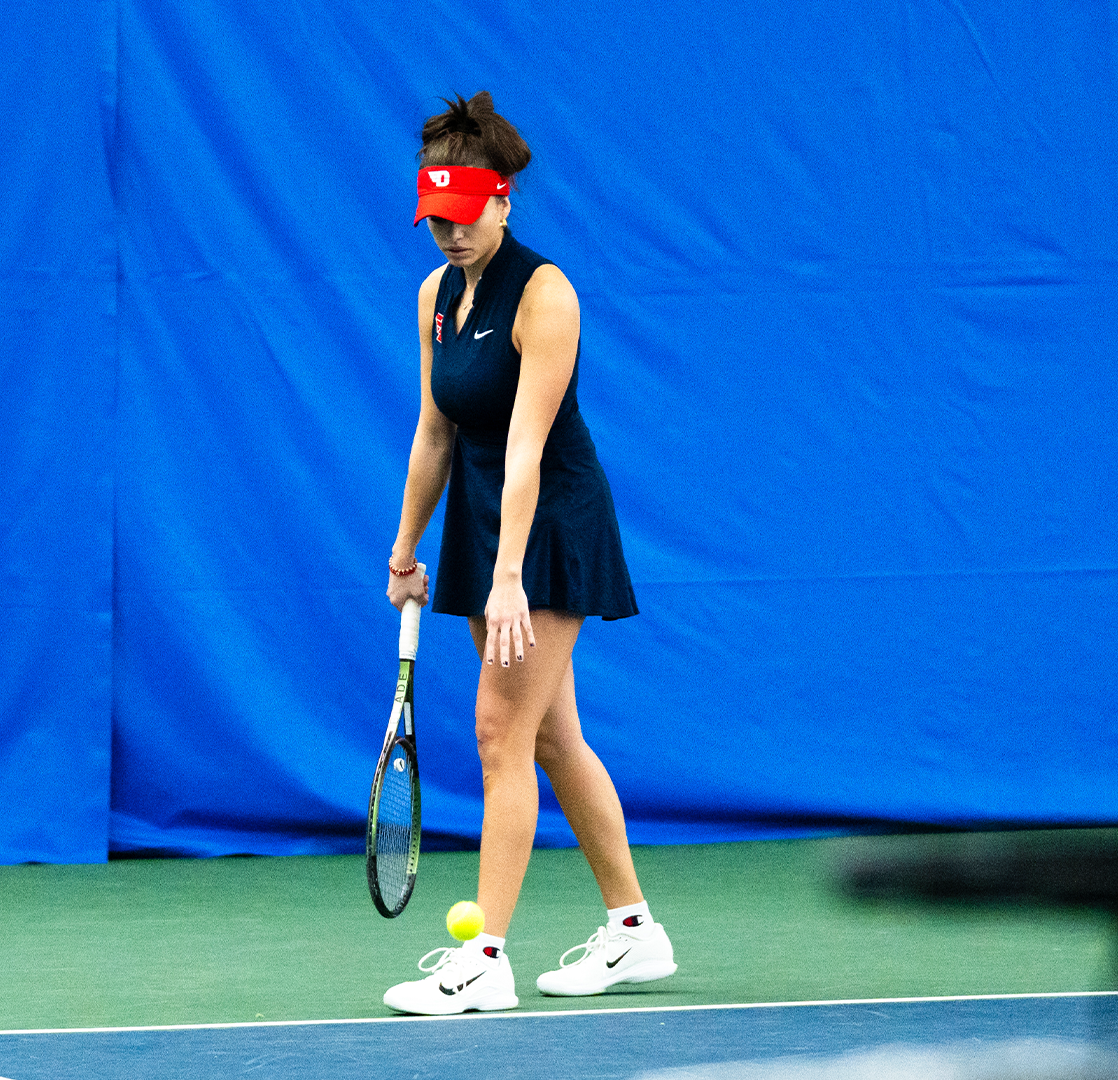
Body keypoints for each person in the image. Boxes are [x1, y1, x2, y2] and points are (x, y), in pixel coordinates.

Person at [381, 92, 676, 1016]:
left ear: (502, 201)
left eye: (465, 216)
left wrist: (509, 576)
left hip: (550, 518)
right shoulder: (435, 297)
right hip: (482, 518)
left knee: (498, 733)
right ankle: (635, 931)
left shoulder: (547, 295)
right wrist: (405, 549)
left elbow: (525, 449)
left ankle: (485, 959)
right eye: (437, 219)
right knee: (550, 735)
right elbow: (435, 432)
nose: (450, 234)